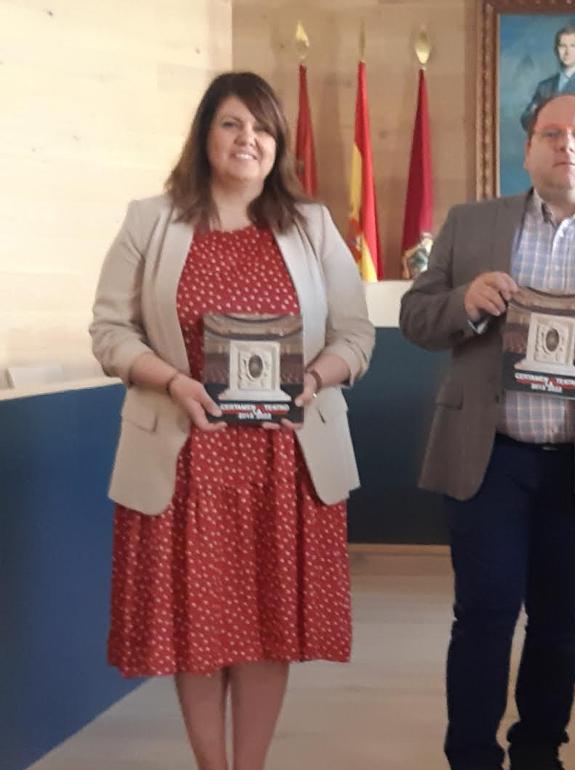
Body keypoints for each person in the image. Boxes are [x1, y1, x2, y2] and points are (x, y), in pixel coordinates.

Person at [89, 71, 374, 770]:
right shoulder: (150, 221)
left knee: (268, 630)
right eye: (232, 124)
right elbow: (109, 331)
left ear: (279, 144)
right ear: (205, 134)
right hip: (184, 457)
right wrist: (172, 380)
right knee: (196, 629)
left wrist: (313, 379)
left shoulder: (312, 226)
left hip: (287, 462)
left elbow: (355, 335)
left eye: (262, 128)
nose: (249, 139)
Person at [400, 93, 575, 770]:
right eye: (552, 133)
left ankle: (538, 752)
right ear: (528, 148)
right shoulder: (470, 224)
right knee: (484, 614)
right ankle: (470, 755)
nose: (567, 145)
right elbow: (417, 318)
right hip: (488, 457)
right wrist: (463, 303)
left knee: (563, 622)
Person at [520, 26, 575, 133]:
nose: (567, 52)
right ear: (556, 50)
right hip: (548, 142)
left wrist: (541, 112)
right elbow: (526, 120)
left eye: (572, 46)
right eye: (563, 46)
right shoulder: (544, 86)